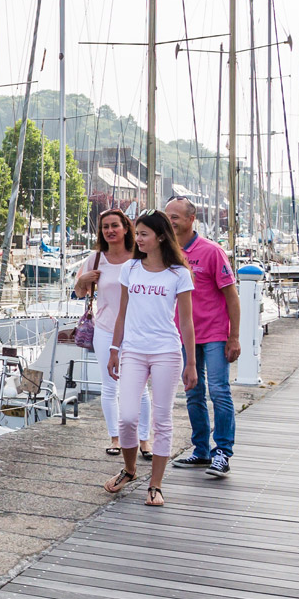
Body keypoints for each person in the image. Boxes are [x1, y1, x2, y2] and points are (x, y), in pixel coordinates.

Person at [102, 209, 197, 507]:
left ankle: (155, 485)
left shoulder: (179, 274)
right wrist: (114, 350)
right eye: (137, 234)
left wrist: (191, 363)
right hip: (132, 349)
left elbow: (186, 323)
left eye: (143, 234)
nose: (138, 239)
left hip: (166, 351)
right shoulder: (130, 269)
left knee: (162, 420)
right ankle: (129, 470)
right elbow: (123, 312)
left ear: (159, 237)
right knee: (128, 416)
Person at [163, 196, 239, 478]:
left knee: (219, 391)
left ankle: (222, 453)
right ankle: (201, 450)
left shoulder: (212, 251)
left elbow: (232, 296)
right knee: (193, 392)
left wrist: (235, 336)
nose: (171, 221)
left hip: (215, 334)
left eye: (176, 216)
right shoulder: (166, 252)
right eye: (167, 215)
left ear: (191, 219)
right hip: (183, 337)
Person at [73, 208, 149, 459]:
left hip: (136, 329)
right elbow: (80, 293)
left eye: (115, 225)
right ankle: (115, 438)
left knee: (141, 388)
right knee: (109, 386)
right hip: (105, 329)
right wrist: (83, 279)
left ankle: (144, 440)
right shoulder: (95, 259)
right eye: (105, 227)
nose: (110, 230)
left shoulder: (139, 257)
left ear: (126, 228)